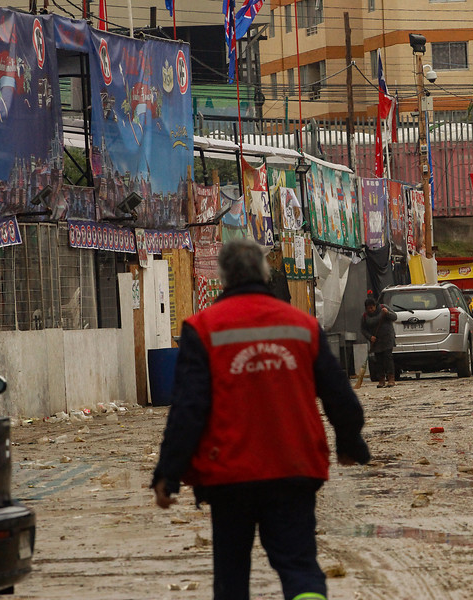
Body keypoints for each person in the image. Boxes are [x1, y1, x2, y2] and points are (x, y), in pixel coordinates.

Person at [151, 239, 370, 600]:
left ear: (223, 277)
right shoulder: (302, 326)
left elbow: (188, 410)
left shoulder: (203, 328)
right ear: (265, 272)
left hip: (230, 475)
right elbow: (339, 394)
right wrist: (349, 441)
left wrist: (168, 475)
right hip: (294, 468)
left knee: (232, 576)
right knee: (299, 568)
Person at [361, 296, 397, 388]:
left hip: (387, 338)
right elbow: (363, 329)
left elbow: (394, 317)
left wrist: (387, 313)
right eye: (368, 308)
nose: (370, 310)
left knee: (387, 358)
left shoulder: (383, 308)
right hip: (376, 341)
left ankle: (391, 379)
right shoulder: (365, 316)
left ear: (375, 306)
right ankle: (381, 380)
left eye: (371, 307)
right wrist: (370, 337)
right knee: (379, 360)